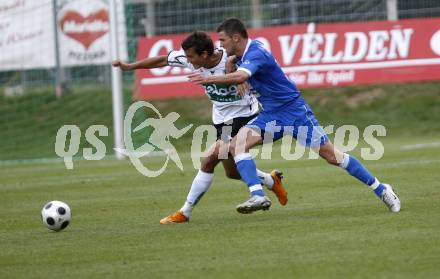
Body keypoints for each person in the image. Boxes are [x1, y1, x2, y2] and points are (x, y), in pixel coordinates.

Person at [189, 18, 401, 214]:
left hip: (294, 112)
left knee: (333, 156)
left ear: (236, 38)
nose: (220, 45)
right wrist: (229, 65)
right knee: (237, 145)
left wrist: (211, 80)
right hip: (272, 115)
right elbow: (238, 69)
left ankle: (381, 188)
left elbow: (243, 75)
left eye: (223, 40)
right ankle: (257, 196)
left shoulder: (256, 52)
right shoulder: (241, 54)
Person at [112, 31, 288, 223]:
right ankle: (272, 181)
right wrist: (130, 67)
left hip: (244, 116)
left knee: (208, 160)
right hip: (221, 120)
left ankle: (185, 212)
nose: (187, 60)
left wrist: (237, 71)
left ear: (204, 54)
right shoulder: (193, 60)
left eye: (191, 56)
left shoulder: (231, 59)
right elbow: (163, 60)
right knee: (231, 172)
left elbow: (254, 62)